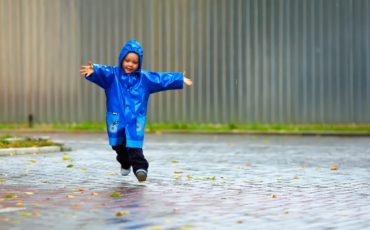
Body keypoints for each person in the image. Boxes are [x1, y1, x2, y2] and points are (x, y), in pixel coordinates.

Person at [80, 40, 193, 182]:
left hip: (135, 119)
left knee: (134, 145)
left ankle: (141, 168)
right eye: (127, 60)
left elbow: (160, 79)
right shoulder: (112, 76)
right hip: (116, 117)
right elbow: (103, 72)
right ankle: (125, 162)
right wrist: (94, 71)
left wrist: (178, 78)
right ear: (122, 59)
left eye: (134, 62)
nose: (130, 64)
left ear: (139, 64)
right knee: (117, 145)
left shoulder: (144, 79)